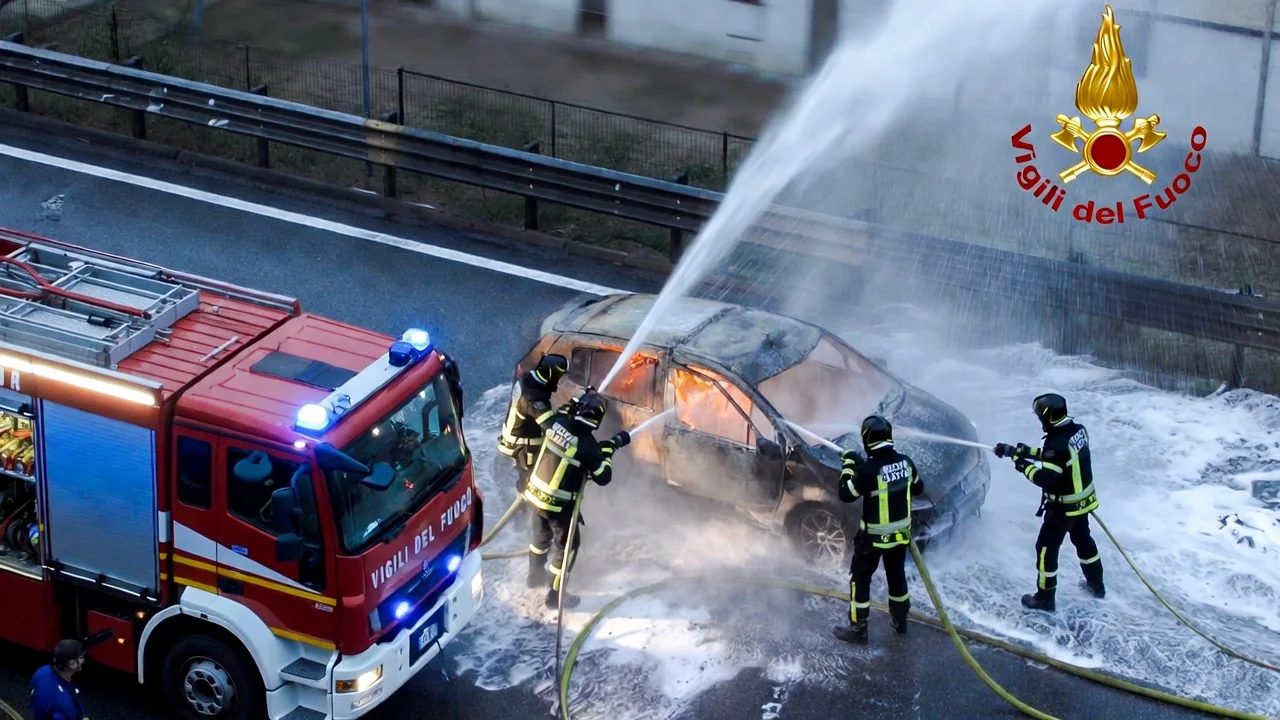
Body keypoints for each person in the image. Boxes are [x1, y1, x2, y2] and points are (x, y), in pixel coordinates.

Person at [994, 392, 1104, 612]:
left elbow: (1045, 479)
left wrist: (1022, 463)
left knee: (1045, 549)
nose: (1039, 421)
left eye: (1040, 417)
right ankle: (1096, 585)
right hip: (1083, 503)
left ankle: (1044, 599)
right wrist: (1020, 451)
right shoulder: (1077, 431)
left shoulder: (1058, 444)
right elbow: (1055, 456)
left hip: (1063, 509)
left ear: (1048, 416)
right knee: (1083, 541)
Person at [522, 391, 630, 609]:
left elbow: (562, 411)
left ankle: (534, 577)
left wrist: (583, 396)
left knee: (540, 539)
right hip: (558, 506)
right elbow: (603, 477)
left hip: (535, 496)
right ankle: (555, 597)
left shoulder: (557, 423)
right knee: (567, 548)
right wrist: (609, 450)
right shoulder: (588, 446)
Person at [832, 415, 924, 645]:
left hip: (871, 541)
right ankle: (900, 623)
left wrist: (849, 466)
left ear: (867, 440)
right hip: (900, 538)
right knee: (897, 578)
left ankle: (858, 631)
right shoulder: (906, 462)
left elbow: (846, 493)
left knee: (860, 581)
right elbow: (918, 488)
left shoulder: (868, 471)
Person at [498, 353, 570, 496]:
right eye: (558, 376)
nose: (559, 380)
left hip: (516, 438)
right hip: (523, 446)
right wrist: (566, 417)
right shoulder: (532, 396)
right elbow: (550, 426)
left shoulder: (528, 379)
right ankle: (522, 512)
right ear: (550, 374)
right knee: (530, 483)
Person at [30, 639, 88, 720]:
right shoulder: (65, 703)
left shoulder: (42, 671)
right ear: (72, 664)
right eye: (81, 658)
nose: (83, 660)